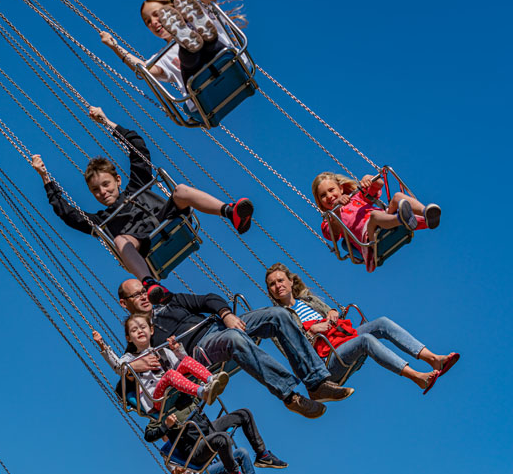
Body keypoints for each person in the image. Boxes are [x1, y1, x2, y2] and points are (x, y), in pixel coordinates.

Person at [32, 105, 253, 302]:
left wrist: (106, 122)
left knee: (180, 190)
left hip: (168, 219)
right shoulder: (102, 220)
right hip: (143, 244)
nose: (102, 192)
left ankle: (230, 212)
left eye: (106, 184)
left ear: (118, 180)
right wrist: (45, 178)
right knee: (119, 239)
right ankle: (149, 283)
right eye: (95, 190)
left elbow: (138, 148)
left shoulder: (137, 184)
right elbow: (67, 214)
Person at [116, 277, 355, 419]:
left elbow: (207, 299)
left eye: (142, 291)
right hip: (201, 349)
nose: (143, 296)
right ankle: (290, 396)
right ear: (124, 303)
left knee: (279, 314)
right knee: (234, 338)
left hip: (220, 324)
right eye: (135, 295)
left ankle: (316, 383)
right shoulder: (138, 336)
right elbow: (123, 382)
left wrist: (227, 314)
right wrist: (132, 366)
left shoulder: (170, 301)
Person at [265, 262, 460, 394]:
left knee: (382, 323)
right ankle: (418, 377)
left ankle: (434, 359)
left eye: (281, 280)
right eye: (272, 284)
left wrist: (333, 311)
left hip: (341, 337)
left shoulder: (308, 300)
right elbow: (294, 355)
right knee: (365, 340)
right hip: (325, 361)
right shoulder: (278, 322)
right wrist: (313, 332)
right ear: (270, 291)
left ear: (291, 281)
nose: (278, 286)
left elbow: (333, 314)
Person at [100, 0, 239, 95]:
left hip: (229, 62)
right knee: (189, 57)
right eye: (148, 21)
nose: (153, 22)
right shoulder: (162, 57)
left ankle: (196, 40)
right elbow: (145, 71)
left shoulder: (198, 14)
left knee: (206, 43)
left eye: (157, 14)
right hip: (203, 91)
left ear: (174, 10)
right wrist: (115, 47)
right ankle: (188, 43)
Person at [145, 401, 286, 474]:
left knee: (243, 422)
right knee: (223, 440)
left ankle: (261, 465)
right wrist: (179, 472)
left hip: (204, 434)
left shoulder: (176, 399)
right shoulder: (169, 453)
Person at [93, 313, 229, 412]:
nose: (139, 331)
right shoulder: (129, 358)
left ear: (151, 330)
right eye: (134, 330)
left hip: (174, 388)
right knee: (170, 374)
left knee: (186, 361)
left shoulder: (162, 351)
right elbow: (119, 367)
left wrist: (178, 350)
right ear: (129, 338)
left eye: (142, 327)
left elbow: (180, 367)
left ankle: (211, 379)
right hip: (157, 398)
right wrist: (103, 346)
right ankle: (202, 392)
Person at [312, 171, 441, 271]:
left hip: (385, 219)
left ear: (340, 188)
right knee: (374, 216)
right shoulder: (328, 220)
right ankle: (402, 219)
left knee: (397, 197)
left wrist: (368, 179)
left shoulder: (356, 197)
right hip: (369, 238)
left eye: (331, 190)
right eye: (323, 195)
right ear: (320, 202)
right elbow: (334, 232)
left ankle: (427, 213)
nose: (329, 196)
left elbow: (378, 185)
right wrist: (336, 211)